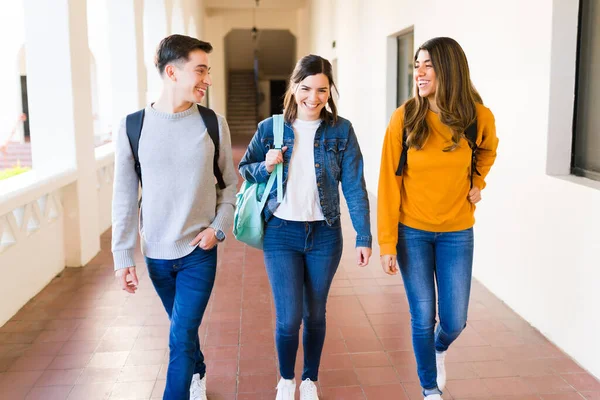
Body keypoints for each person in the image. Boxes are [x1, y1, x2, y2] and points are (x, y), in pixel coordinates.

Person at [239, 54, 372, 400]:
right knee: (289, 317)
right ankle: (286, 379)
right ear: (294, 87)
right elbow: (245, 168)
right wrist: (266, 165)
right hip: (281, 233)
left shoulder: (341, 131)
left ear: (331, 92)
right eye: (307, 89)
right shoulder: (271, 128)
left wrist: (364, 235)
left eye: (323, 90)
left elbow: (355, 186)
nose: (314, 98)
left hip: (325, 235)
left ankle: (309, 379)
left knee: (315, 313)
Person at [111, 34, 237, 400]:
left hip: (199, 251)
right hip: (157, 256)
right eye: (200, 71)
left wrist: (218, 228)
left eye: (208, 72)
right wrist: (123, 257)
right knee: (182, 329)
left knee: (179, 336)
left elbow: (230, 185)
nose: (207, 80)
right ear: (171, 72)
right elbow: (123, 195)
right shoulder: (133, 127)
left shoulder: (213, 123)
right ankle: (197, 371)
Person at [377, 37, 499, 399]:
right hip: (412, 231)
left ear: (449, 69)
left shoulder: (477, 117)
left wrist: (477, 182)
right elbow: (388, 182)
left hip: (457, 232)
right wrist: (386, 241)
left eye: (428, 64)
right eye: (417, 64)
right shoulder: (405, 117)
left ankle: (440, 346)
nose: (419, 71)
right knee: (421, 316)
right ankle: (429, 388)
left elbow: (487, 152)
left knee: (454, 321)